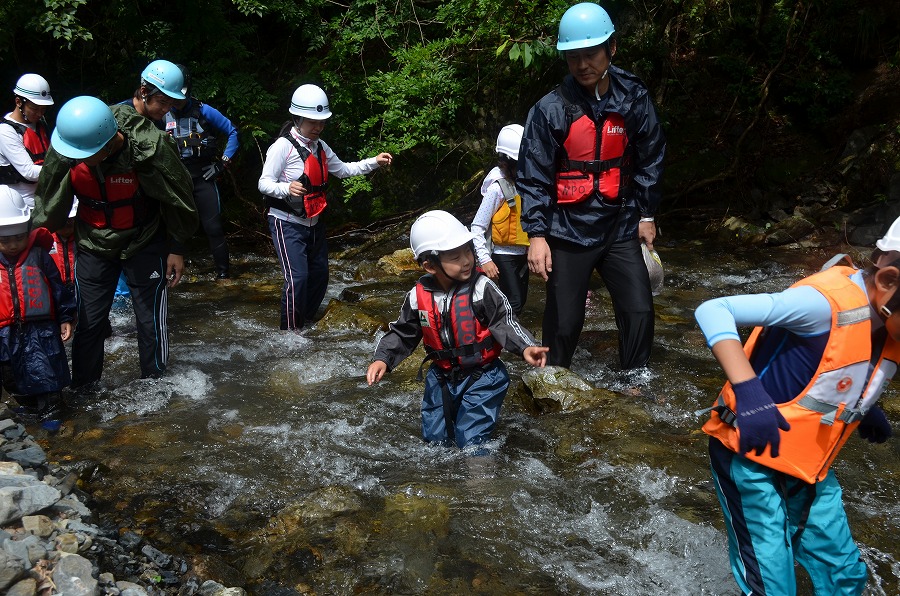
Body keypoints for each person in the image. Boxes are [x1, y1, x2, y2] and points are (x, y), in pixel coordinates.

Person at [694, 217, 900, 595]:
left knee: (845, 578)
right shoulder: (820, 305)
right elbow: (713, 309)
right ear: (888, 283)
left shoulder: (886, 322)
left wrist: (864, 406)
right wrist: (750, 392)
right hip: (749, 456)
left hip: (809, 465)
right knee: (772, 586)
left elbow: (836, 367)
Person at [518, 2, 666, 370]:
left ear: (611, 49)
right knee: (565, 322)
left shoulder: (633, 97)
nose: (582, 64)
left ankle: (633, 381)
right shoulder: (550, 109)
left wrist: (646, 213)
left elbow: (651, 154)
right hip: (568, 230)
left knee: (639, 309)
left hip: (619, 223)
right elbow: (534, 174)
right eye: (573, 57)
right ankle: (552, 382)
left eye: (590, 54)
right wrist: (537, 234)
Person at [32, 95, 198, 389]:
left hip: (144, 240)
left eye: (86, 154)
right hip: (93, 244)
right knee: (90, 321)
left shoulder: (150, 148)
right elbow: (47, 202)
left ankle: (154, 388)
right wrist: (34, 247)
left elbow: (179, 197)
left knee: (150, 322)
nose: (78, 158)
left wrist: (177, 247)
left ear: (107, 144)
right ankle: (83, 389)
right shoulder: (70, 144)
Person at [366, 210, 549, 449]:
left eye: (468, 251)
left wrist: (526, 347)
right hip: (440, 377)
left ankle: (479, 481)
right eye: (455, 256)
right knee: (435, 440)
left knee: (471, 439)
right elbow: (403, 333)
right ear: (429, 265)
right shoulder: (417, 297)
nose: (466, 260)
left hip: (484, 376)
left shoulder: (481, 289)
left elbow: (504, 322)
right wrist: (383, 359)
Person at [258, 83, 392, 330]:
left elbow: (343, 170)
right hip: (286, 221)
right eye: (312, 122)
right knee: (298, 278)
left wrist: (374, 161)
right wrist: (285, 188)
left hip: (314, 222)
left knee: (320, 276)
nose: (318, 127)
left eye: (321, 122)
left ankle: (305, 322)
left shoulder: (321, 146)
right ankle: (289, 333)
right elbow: (264, 183)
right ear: (298, 119)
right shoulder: (282, 147)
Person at [0, 186, 74, 421]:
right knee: (10, 374)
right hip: (5, 332)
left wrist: (65, 317)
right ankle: (31, 409)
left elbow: (57, 288)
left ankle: (54, 417)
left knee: (48, 372)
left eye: (18, 238)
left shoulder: (40, 256)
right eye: (5, 241)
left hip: (41, 329)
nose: (13, 245)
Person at [165, 64, 239, 279]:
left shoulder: (204, 110)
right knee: (171, 231)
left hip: (203, 178)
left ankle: (223, 277)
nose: (176, 102)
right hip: (175, 180)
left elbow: (233, 131)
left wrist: (222, 163)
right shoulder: (162, 113)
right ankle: (166, 278)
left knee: (213, 228)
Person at [470, 124, 530, 315]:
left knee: (519, 301)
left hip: (524, 253)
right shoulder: (497, 189)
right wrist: (485, 260)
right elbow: (477, 226)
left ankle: (505, 338)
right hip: (503, 254)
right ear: (506, 162)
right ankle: (509, 341)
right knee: (514, 303)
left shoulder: (526, 183)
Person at [0, 74, 54, 212]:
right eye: (35, 109)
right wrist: (63, 166)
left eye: (43, 109)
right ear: (19, 102)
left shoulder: (40, 124)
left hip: (45, 200)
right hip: (22, 207)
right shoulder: (5, 131)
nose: (40, 114)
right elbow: (29, 172)